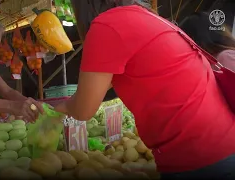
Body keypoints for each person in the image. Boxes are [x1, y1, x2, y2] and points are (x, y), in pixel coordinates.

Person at [54, 0, 235, 179]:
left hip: (199, 155)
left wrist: (53, 110)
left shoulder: (106, 25)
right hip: (221, 144)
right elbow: (103, 83)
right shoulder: (147, 17)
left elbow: (83, 110)